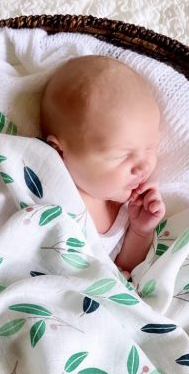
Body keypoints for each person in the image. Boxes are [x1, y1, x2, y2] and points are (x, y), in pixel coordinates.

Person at [40, 55, 165, 277]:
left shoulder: (127, 210)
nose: (142, 167)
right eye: (120, 156)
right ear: (59, 152)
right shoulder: (46, 185)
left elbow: (124, 268)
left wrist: (140, 231)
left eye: (150, 148)